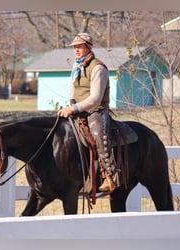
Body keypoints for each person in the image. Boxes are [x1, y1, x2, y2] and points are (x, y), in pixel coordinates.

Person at [57, 33, 119, 193]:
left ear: (89, 47)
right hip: (77, 110)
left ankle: (110, 175)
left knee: (98, 132)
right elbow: (73, 91)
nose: (76, 50)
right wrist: (71, 106)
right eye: (75, 47)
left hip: (95, 111)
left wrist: (73, 108)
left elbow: (95, 99)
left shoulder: (98, 68)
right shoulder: (76, 67)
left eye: (80, 46)